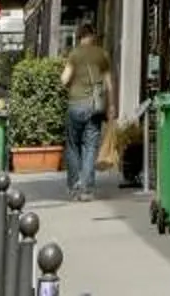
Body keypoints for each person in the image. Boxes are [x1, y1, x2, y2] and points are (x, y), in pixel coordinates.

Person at [56, 23, 113, 203]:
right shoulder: (102, 54)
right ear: (92, 36)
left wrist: (72, 82)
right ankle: (87, 190)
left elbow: (64, 79)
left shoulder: (74, 54)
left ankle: (74, 188)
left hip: (75, 105)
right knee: (90, 147)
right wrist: (111, 106)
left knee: (73, 147)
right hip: (94, 107)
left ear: (79, 36)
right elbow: (109, 84)